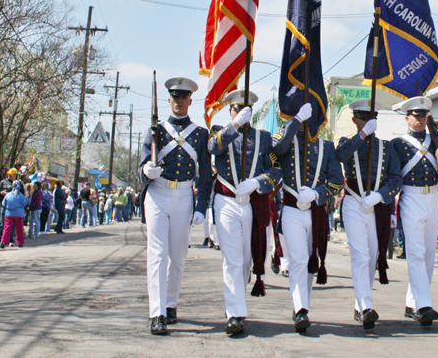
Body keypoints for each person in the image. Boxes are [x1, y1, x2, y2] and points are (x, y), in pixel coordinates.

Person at [139, 76, 213, 335]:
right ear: (168, 99)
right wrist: (146, 170)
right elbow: (141, 167)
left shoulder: (200, 134)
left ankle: (170, 304)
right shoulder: (155, 131)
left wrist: (202, 206)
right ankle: (157, 313)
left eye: (184, 97)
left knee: (178, 256)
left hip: (184, 196)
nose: (179, 101)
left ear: (190, 100)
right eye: (175, 96)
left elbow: (205, 175)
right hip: (158, 194)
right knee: (157, 254)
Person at [207, 90, 281, 335]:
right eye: (236, 109)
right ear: (230, 110)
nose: (241, 113)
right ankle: (236, 313)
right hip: (226, 200)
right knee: (232, 259)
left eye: (244, 110)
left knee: (246, 259)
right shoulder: (219, 130)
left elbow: (275, 171)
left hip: (251, 201)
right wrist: (234, 126)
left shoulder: (263, 137)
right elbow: (212, 147)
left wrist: (259, 181)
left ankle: (237, 300)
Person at [272, 102, 344, 334]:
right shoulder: (286, 140)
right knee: (299, 259)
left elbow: (336, 179)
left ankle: (302, 306)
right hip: (292, 209)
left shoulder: (327, 146)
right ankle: (300, 308)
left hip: (316, 210)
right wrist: (295, 121)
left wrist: (317, 193)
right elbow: (277, 147)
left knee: (311, 260)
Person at [334, 99, 402, 329]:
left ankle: (359, 304)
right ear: (355, 120)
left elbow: (396, 178)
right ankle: (366, 307)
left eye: (372, 118)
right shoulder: (348, 142)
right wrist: (362, 134)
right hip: (354, 201)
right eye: (364, 118)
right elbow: (341, 156)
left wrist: (382, 195)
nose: (369, 122)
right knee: (361, 255)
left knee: (372, 256)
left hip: (377, 206)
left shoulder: (387, 146)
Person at [391, 96, 438, 327]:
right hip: (410, 197)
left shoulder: (436, 141)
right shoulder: (398, 143)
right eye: (416, 116)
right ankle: (424, 305)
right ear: (407, 118)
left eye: (424, 115)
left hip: (434, 197)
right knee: (416, 252)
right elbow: (393, 174)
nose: (420, 119)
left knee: (428, 253)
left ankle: (412, 302)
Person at [0, 180, 29, 248]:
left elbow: (3, 204)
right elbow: (24, 203)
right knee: (19, 229)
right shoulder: (21, 195)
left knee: (7, 228)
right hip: (19, 214)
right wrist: (27, 197)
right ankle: (20, 242)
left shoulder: (8, 195)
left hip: (9, 214)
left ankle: (3, 241)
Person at [0, 168, 16, 243]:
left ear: (15, 175)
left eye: (11, 174)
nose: (9, 175)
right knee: (2, 223)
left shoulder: (17, 183)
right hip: (4, 205)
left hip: (13, 206)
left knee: (12, 224)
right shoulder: (3, 182)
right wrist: (1, 193)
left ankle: (10, 239)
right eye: (8, 174)